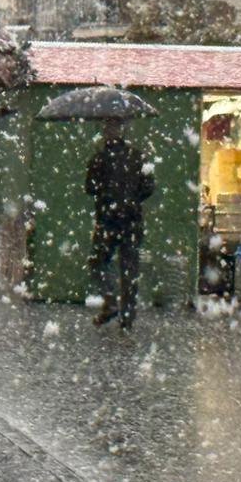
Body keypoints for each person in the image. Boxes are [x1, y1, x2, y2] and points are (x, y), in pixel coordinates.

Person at [85, 118, 156, 330]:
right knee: (129, 268)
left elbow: (89, 187)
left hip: (108, 219)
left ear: (106, 133)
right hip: (131, 220)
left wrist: (108, 195)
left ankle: (110, 300)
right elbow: (148, 186)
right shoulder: (137, 157)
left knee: (99, 262)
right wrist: (131, 200)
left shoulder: (99, 158)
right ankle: (127, 316)